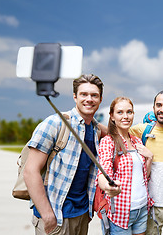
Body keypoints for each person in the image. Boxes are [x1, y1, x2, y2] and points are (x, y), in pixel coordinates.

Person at [23, 74, 115, 235]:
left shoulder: (95, 130)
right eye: (84, 94)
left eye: (94, 95)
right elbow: (30, 171)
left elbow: (117, 134)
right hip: (55, 215)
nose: (89, 99)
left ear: (100, 99)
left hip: (81, 215)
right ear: (75, 97)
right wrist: (47, 215)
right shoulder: (54, 123)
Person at [97, 96, 154, 234]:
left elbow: (144, 177)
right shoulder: (108, 142)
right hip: (121, 211)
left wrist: (150, 158)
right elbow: (103, 173)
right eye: (120, 112)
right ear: (112, 116)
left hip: (142, 208)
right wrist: (107, 187)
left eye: (129, 112)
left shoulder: (137, 141)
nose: (126, 116)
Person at [129, 90, 163, 235]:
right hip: (150, 205)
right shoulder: (142, 130)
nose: (162, 109)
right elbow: (114, 133)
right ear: (153, 108)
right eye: (159, 105)